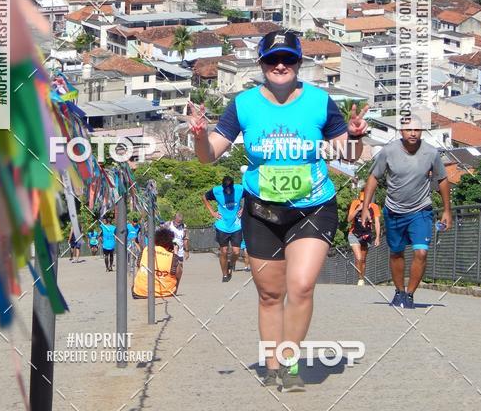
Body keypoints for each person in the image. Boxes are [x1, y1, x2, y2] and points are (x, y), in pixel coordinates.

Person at [190, 29, 368, 391]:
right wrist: (198, 136)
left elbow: (348, 156)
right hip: (262, 212)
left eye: (288, 59)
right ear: (262, 64)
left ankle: (289, 362)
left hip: (312, 208)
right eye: (273, 59)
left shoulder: (320, 102)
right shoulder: (243, 105)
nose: (281, 65)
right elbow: (209, 156)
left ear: (299, 63)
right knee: (270, 295)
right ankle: (272, 366)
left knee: (300, 286)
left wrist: (354, 136)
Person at [361, 116, 451, 310]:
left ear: (421, 132)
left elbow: (442, 179)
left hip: (421, 210)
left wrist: (447, 210)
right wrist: (366, 207)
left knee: (421, 252)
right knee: (396, 253)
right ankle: (399, 291)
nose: (412, 133)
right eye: (408, 130)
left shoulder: (431, 153)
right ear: (401, 131)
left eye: (417, 130)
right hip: (394, 211)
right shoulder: (388, 151)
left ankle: (409, 294)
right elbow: (374, 177)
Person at [203, 176, 244, 283]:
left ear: (233, 186)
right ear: (223, 187)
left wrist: (244, 209)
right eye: (226, 189)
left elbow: (251, 196)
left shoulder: (239, 188)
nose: (228, 191)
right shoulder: (216, 191)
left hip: (236, 225)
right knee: (224, 251)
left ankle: (231, 264)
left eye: (230, 189)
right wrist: (212, 212)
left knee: (236, 252)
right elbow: (204, 197)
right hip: (222, 225)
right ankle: (225, 274)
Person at [132, 227, 182, 299]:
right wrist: (176, 253)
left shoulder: (146, 250)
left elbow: (138, 266)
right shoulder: (172, 257)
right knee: (178, 270)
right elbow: (178, 272)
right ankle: (174, 290)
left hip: (139, 292)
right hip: (165, 293)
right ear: (169, 244)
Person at [347, 190, 381, 285]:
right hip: (354, 234)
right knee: (358, 258)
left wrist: (377, 237)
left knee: (363, 259)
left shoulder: (374, 207)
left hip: (366, 235)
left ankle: (361, 277)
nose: (363, 202)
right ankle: (360, 279)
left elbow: (377, 222)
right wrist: (358, 209)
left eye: (365, 201)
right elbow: (349, 219)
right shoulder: (355, 203)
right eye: (362, 201)